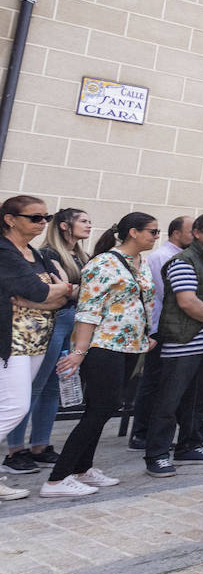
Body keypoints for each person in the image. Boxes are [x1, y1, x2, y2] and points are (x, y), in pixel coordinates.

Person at [40, 214, 158, 498]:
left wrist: (145, 336)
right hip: (103, 345)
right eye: (152, 231)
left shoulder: (142, 263)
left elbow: (142, 303)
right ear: (133, 232)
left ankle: (83, 469)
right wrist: (79, 351)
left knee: (105, 407)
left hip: (130, 345)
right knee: (100, 409)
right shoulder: (103, 263)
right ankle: (56, 480)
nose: (156, 236)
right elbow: (88, 310)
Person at [145, 214, 203, 477]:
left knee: (200, 398)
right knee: (169, 401)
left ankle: (190, 444)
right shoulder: (183, 261)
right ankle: (157, 454)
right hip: (184, 342)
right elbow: (187, 301)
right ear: (197, 233)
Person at [4, 207, 90, 473]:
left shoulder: (80, 254)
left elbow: (76, 290)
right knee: (35, 386)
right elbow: (51, 291)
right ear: (65, 226)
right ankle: (16, 450)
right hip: (48, 322)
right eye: (83, 221)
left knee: (55, 385)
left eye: (45, 218)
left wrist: (66, 290)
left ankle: (40, 444)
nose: (88, 225)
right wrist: (66, 291)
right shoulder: (49, 253)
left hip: (70, 320)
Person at [0, 197, 72, 501]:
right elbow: (42, 290)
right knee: (15, 406)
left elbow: (64, 295)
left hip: (36, 341)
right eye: (34, 218)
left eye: (46, 217)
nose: (42, 223)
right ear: (10, 219)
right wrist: (46, 294)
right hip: (10, 342)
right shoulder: (4, 252)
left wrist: (38, 298)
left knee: (13, 404)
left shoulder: (37, 254)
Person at [128, 215, 193, 451]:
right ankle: (142, 433)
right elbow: (169, 293)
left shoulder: (182, 257)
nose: (195, 235)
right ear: (176, 233)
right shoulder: (160, 257)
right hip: (161, 327)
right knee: (154, 381)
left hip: (176, 328)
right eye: (190, 230)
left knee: (168, 382)